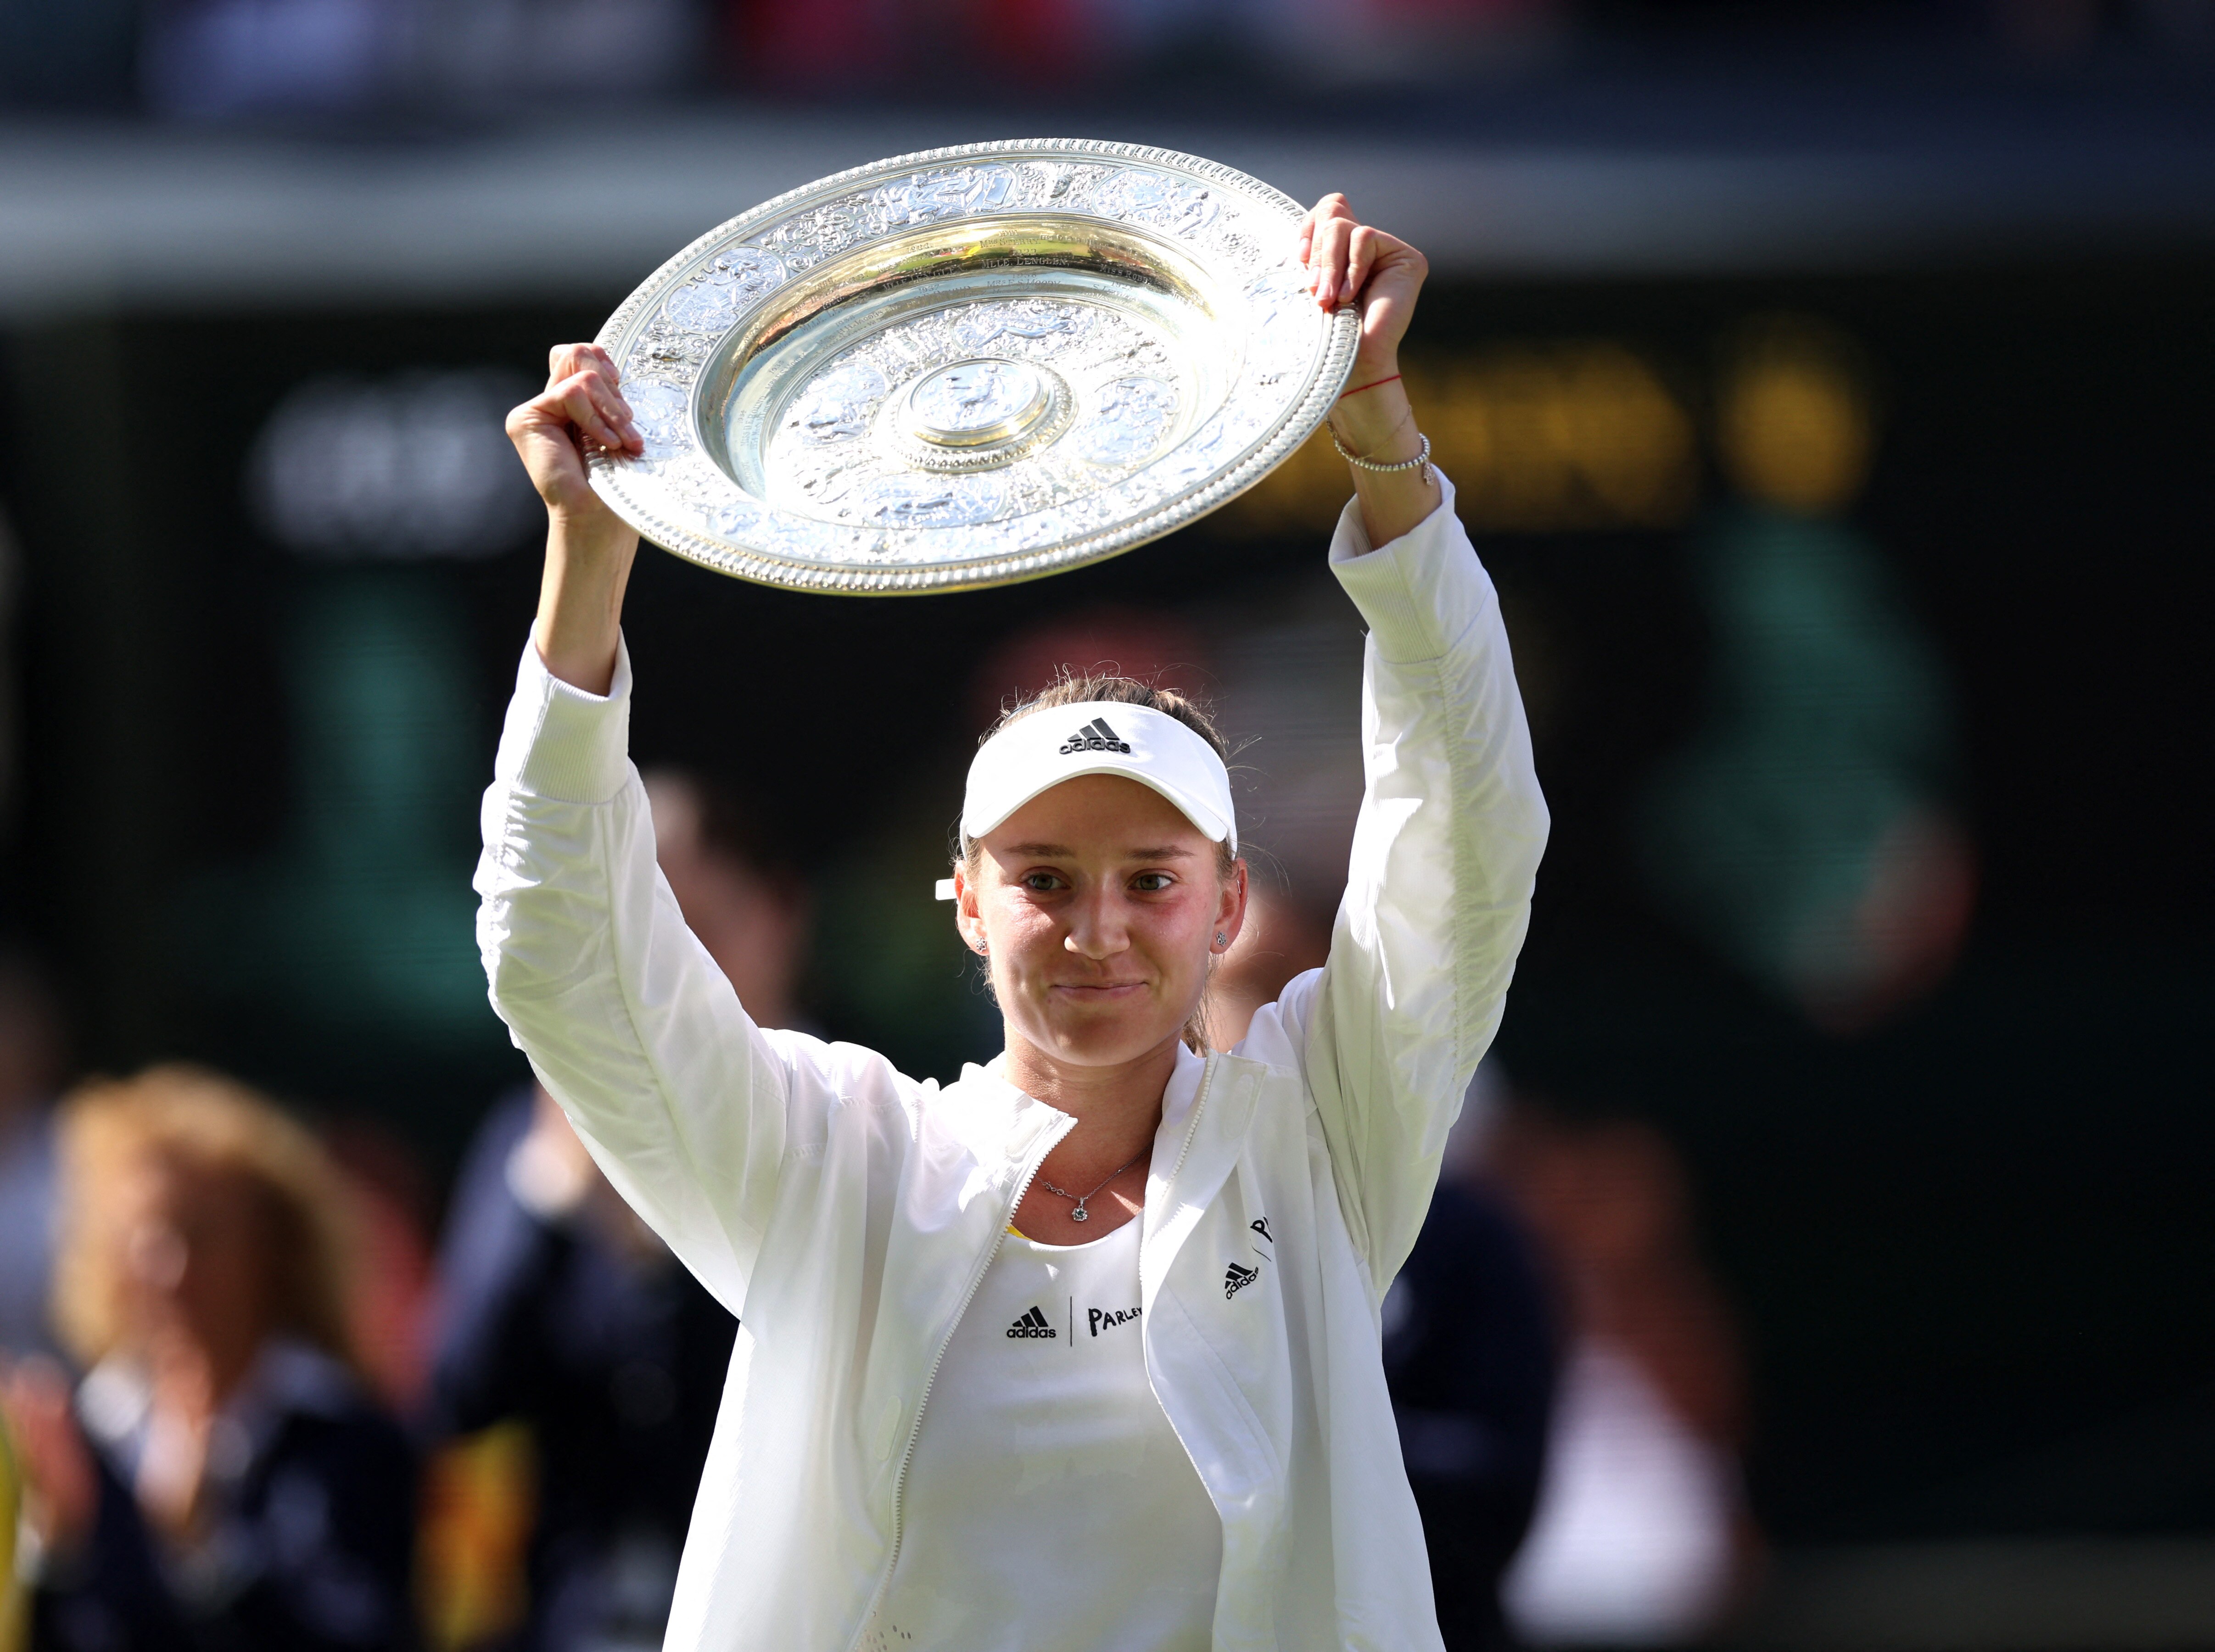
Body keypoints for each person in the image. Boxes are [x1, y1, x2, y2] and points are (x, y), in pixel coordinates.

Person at [477, 194, 1549, 1651]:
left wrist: (1376, 429)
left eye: (1151, 880)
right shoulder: (838, 1164)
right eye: (1043, 877)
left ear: (1228, 905)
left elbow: (1469, 837)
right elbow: (563, 961)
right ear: (966, 903)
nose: (1097, 928)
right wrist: (588, 557)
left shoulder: (1316, 1137)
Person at [426, 770, 793, 1651]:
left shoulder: (855, 1126)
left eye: (693, 926)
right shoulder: (539, 1132)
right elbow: (459, 1395)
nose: (662, 969)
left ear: (777, 920)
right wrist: (555, 1193)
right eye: (634, 931)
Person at [5, 1065, 417, 1652]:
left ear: (272, 1251)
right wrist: (55, 1551)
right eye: (147, 1240)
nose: (172, 1272)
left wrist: (202, 1550)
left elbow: (360, 1632)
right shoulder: (91, 1439)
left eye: (201, 1236)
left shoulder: (350, 1443)